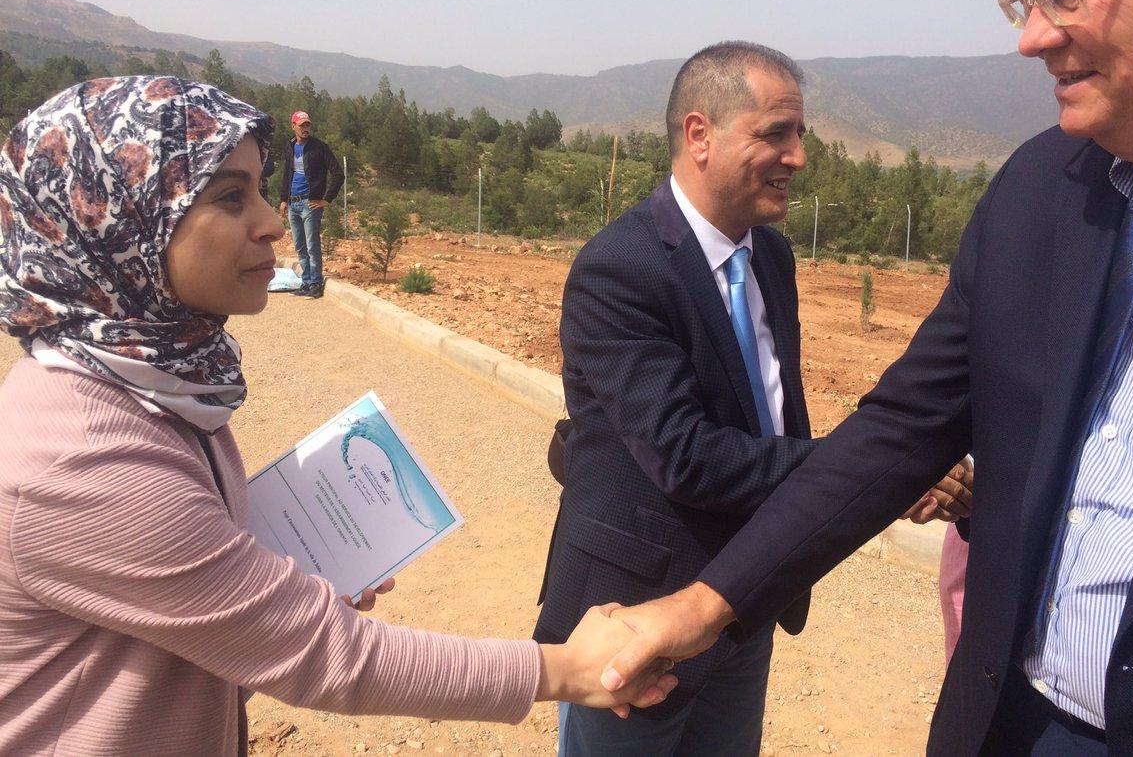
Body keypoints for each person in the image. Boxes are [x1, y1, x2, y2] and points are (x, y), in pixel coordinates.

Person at [600, 0, 1133, 754]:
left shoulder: (772, 255)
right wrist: (701, 607)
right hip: (1010, 724)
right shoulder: (1041, 189)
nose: (1032, 39)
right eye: (1024, 1)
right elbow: (901, 428)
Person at [0, 77, 673, 755]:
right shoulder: (80, 458)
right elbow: (326, 655)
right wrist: (566, 670)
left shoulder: (141, 388)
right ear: (118, 222)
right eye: (231, 197)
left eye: (262, 189)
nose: (269, 222)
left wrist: (259, 581)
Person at [534, 42, 968, 756]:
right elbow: (686, 456)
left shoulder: (771, 256)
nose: (798, 156)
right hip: (638, 616)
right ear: (699, 135)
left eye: (799, 134)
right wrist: (870, 469)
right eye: (776, 133)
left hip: (744, 596)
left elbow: (769, 417)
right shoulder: (622, 268)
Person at [278, 109, 343, 298]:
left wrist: (326, 199)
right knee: (299, 246)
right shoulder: (290, 147)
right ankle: (306, 282)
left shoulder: (320, 147)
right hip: (293, 203)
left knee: (312, 245)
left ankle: (315, 284)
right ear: (293, 127)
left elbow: (338, 174)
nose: (305, 128)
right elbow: (286, 174)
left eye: (308, 125)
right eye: (302, 125)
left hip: (310, 203)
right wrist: (283, 199)